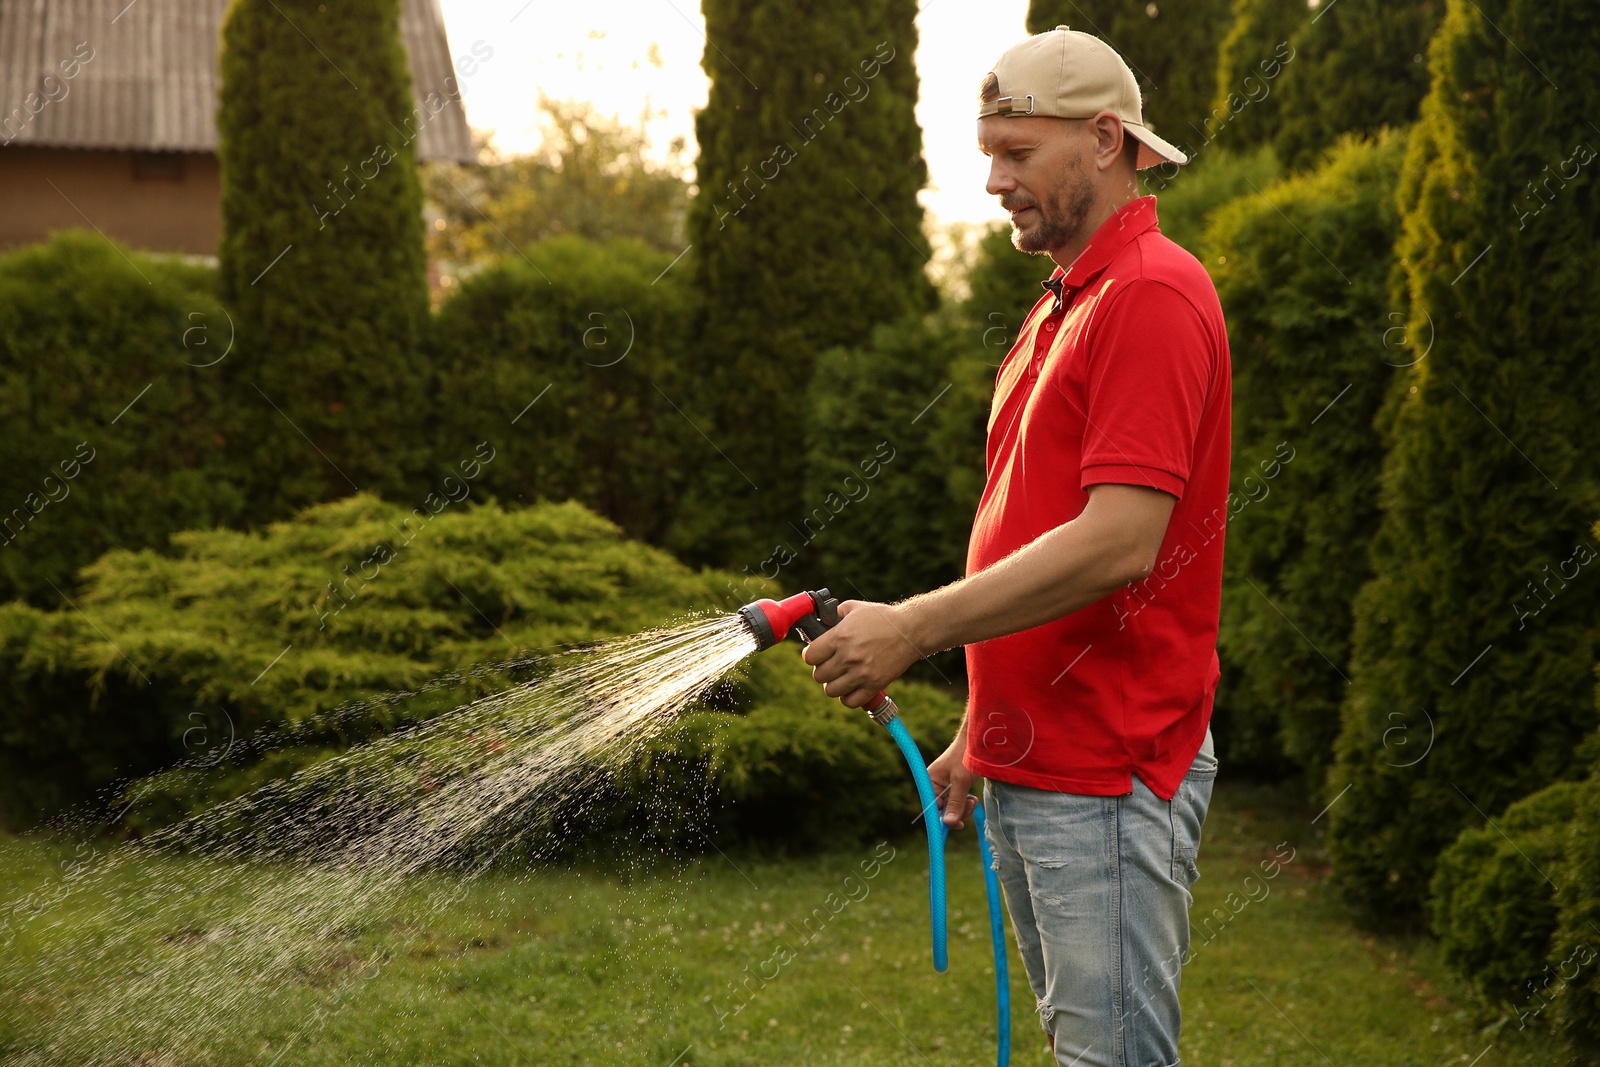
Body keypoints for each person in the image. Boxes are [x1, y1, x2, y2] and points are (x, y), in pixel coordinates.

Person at [800, 25, 1230, 1067]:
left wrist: (911, 625)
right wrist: (990, 726)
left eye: (1016, 152)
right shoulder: (1063, 304)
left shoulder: (1151, 297)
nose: (992, 180)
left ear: (1102, 139)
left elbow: (1120, 541)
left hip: (1107, 766)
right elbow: (1040, 531)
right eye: (987, 150)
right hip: (1045, 756)